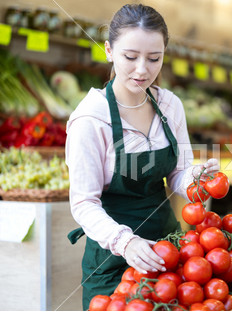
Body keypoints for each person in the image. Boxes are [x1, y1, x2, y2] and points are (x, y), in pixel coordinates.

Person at [65, 3, 219, 310]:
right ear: (109, 50)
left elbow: (177, 175)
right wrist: (126, 242)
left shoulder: (170, 105)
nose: (142, 70)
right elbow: (84, 203)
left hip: (168, 251)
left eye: (154, 58)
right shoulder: (91, 119)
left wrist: (195, 179)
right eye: (130, 57)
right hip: (111, 261)